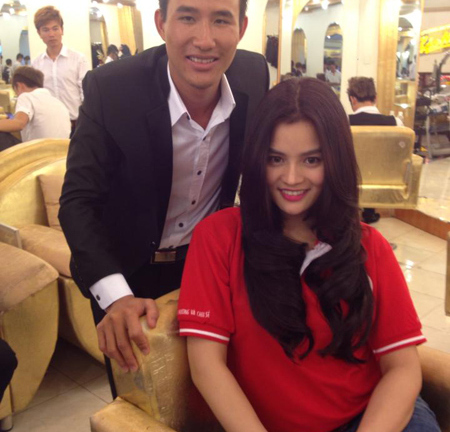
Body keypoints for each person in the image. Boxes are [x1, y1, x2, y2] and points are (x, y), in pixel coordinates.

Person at [178, 78, 441, 432]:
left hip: (372, 418)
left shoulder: (370, 247)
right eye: (276, 159)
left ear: (335, 161)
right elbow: (207, 366)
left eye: (311, 160)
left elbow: (403, 368)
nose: (291, 177)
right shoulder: (219, 237)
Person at [58, 0, 268, 396]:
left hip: (207, 264)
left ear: (241, 28)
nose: (204, 40)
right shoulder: (112, 89)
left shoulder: (253, 75)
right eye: (187, 17)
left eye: (221, 20)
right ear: (161, 23)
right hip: (128, 272)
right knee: (141, 402)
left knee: (217, 389)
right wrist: (115, 297)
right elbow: (78, 201)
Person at [347, 76, 404, 224]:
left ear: (353, 99)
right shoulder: (396, 123)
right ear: (375, 98)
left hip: (351, 181)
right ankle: (369, 214)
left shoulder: (345, 122)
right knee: (373, 164)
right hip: (385, 180)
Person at [32, 6, 89, 134]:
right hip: (48, 125)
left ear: (62, 30)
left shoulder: (78, 59)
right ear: (39, 33)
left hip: (76, 124)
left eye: (55, 28)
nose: (51, 34)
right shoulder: (36, 64)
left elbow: (85, 93)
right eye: (45, 30)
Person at [0, 66, 70, 145]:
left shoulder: (26, 96)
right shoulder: (59, 103)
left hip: (37, 150)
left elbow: (19, 123)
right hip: (62, 150)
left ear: (19, 86)